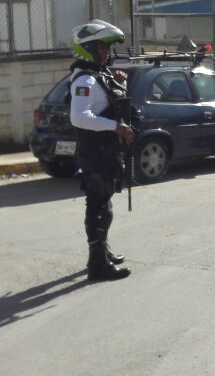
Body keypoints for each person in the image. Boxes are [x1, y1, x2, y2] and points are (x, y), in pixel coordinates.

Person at [68, 19, 135, 282]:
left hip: (104, 152)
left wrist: (120, 84)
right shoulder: (84, 80)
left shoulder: (98, 76)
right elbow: (79, 117)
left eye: (108, 48)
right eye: (102, 48)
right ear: (88, 49)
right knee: (97, 207)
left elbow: (110, 104)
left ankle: (102, 253)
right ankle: (97, 264)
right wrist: (115, 126)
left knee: (103, 204)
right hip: (94, 153)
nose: (107, 53)